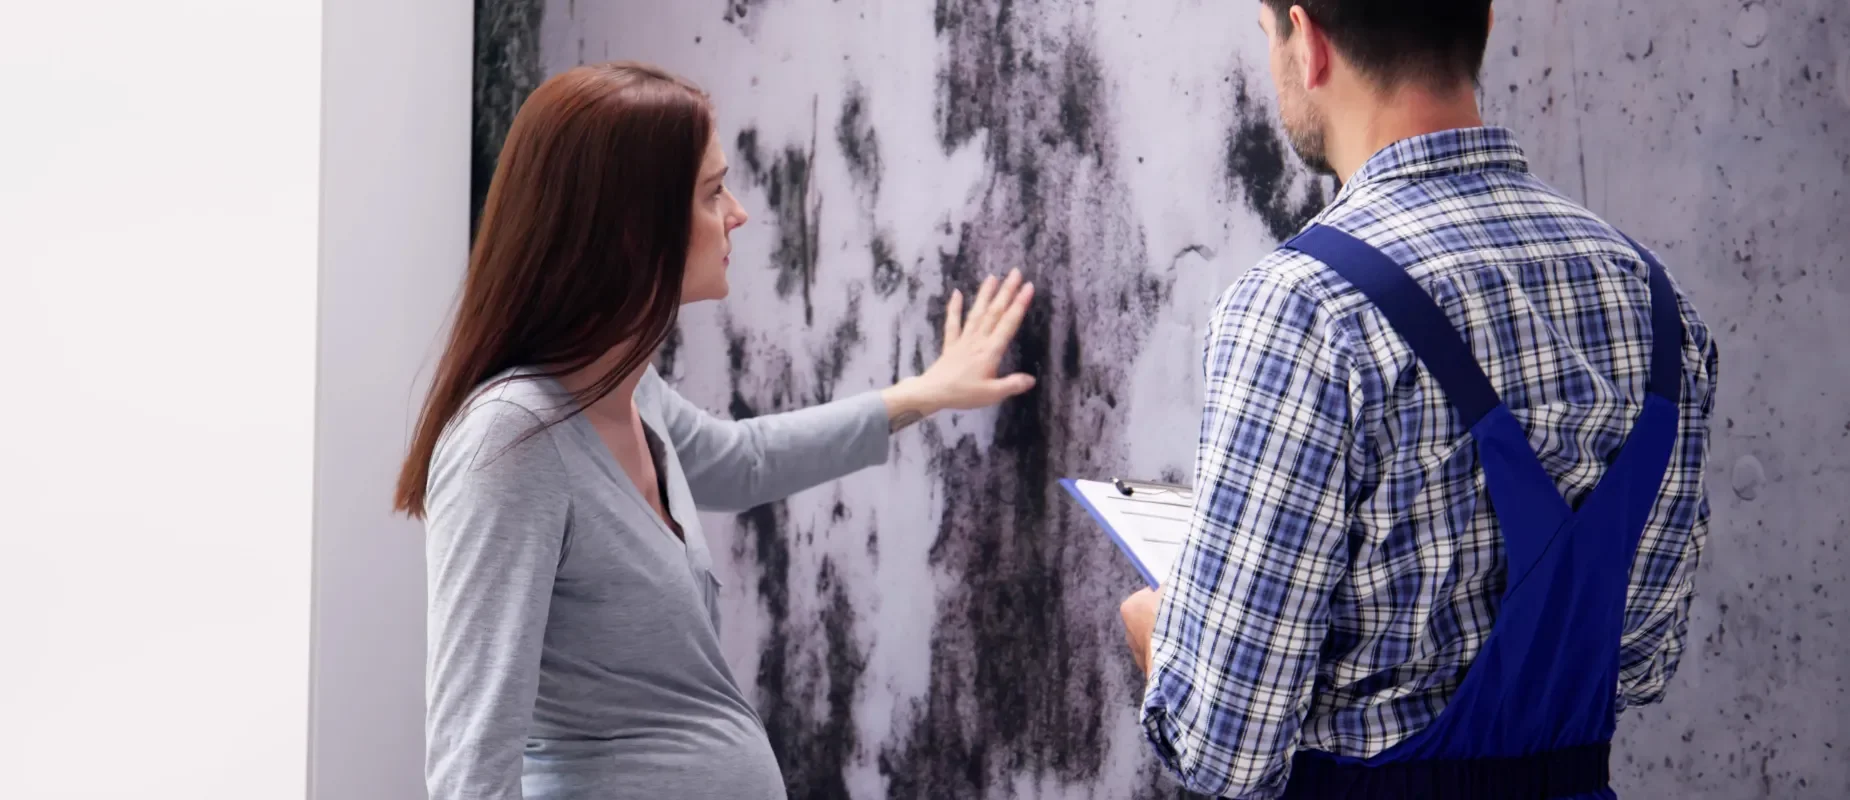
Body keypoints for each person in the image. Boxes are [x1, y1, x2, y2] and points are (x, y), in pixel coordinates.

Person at [1116, 2, 1718, 798]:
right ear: (1487, 22)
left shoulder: (1304, 310)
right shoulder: (1657, 303)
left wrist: (1158, 634)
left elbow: (1224, 747)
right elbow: (1637, 663)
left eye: (1268, 37)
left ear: (1309, 42)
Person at [394, 62, 1036, 800]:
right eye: (712, 193)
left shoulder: (625, 386)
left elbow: (740, 462)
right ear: (632, 226)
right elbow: (471, 770)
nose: (739, 213)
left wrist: (924, 393)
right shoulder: (511, 441)